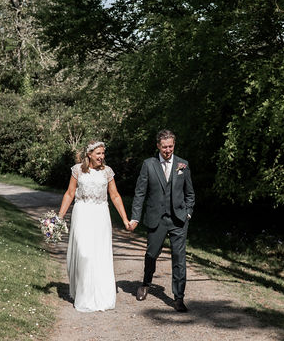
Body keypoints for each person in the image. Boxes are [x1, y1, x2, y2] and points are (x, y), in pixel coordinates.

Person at [56, 140, 131, 312]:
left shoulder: (107, 172)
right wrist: (59, 218)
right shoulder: (77, 170)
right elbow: (69, 193)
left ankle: (100, 294)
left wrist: (125, 219)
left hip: (100, 215)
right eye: (98, 153)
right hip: (82, 213)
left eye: (103, 153)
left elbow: (115, 196)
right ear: (89, 154)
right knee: (84, 253)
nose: (101, 157)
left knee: (99, 254)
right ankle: (83, 293)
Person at [129, 129, 195, 312]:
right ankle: (146, 282)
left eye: (171, 146)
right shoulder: (148, 165)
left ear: (174, 145)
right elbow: (140, 193)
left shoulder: (183, 164)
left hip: (179, 220)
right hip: (156, 218)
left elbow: (190, 194)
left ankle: (179, 297)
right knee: (151, 254)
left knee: (179, 258)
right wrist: (135, 216)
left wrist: (188, 213)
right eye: (164, 147)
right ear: (158, 146)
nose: (168, 150)